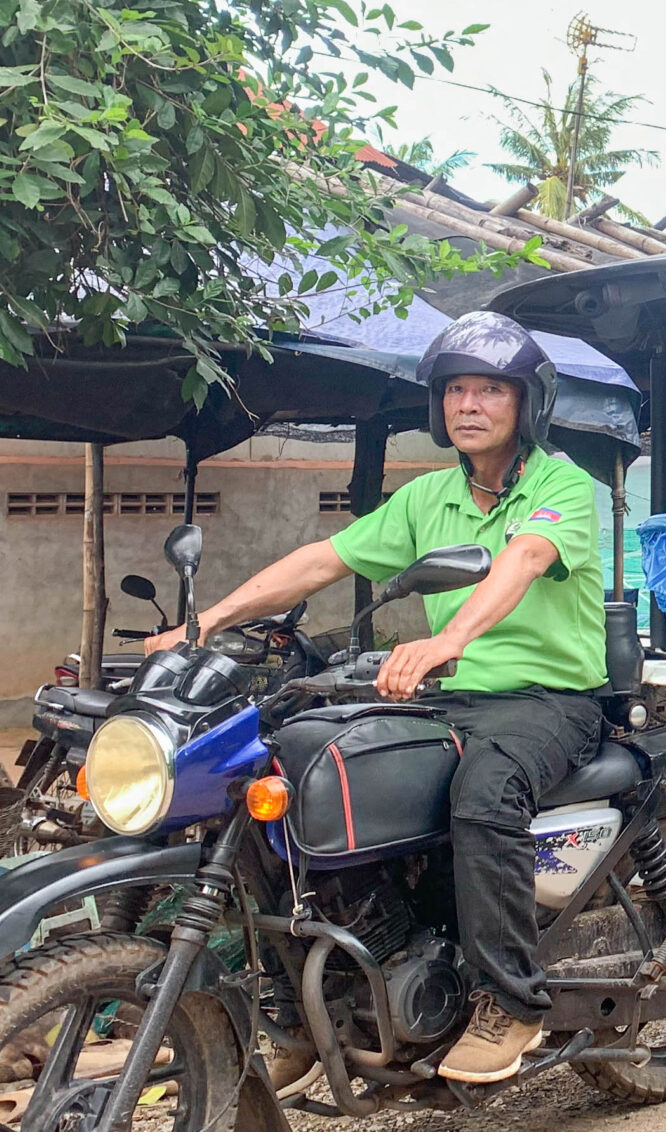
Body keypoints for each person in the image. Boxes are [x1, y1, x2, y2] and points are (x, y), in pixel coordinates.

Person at [151, 312, 605, 1085]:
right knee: (308, 775)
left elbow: (522, 561)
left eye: (490, 390)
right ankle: (317, 1001)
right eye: (456, 390)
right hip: (452, 700)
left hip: (549, 700)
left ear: (527, 403)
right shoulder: (429, 497)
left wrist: (447, 640)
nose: (469, 405)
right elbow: (323, 560)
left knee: (485, 794)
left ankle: (512, 1003)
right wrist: (206, 621)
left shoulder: (561, 485)